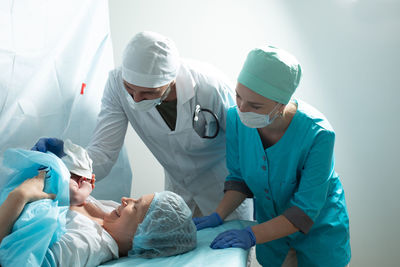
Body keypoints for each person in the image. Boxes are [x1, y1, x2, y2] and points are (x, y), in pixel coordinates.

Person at [33, 31, 252, 220]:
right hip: (179, 189)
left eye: (149, 92)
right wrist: (67, 166)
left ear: (171, 79)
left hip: (225, 190)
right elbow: (103, 153)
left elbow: (246, 151)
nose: (136, 99)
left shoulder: (211, 87)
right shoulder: (116, 84)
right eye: (131, 89)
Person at [193, 46, 351, 267]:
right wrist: (218, 215)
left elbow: (305, 209)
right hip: (272, 237)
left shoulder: (319, 134)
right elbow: (239, 180)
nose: (242, 108)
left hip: (319, 235)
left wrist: (251, 235)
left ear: (281, 104)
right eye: (238, 96)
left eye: (255, 105)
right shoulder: (236, 118)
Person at [0, 158, 197, 266]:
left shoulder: (86, 245)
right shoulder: (112, 216)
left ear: (144, 237)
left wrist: (18, 197)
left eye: (135, 206)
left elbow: (18, 260)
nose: (126, 199)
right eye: (135, 198)